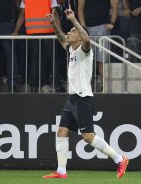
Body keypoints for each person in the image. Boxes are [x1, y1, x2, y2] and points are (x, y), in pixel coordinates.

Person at [42, 9, 129, 179]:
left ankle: (119, 159)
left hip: (83, 99)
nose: (69, 32)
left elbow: (87, 39)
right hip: (72, 99)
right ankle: (61, 171)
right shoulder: (72, 51)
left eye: (73, 31)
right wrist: (54, 24)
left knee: (88, 136)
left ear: (80, 37)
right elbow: (62, 39)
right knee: (61, 132)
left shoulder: (85, 51)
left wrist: (75, 21)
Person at [12, 0, 65, 93]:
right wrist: (60, 32)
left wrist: (16, 31)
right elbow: (55, 14)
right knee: (52, 59)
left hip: (32, 32)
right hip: (48, 31)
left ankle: (33, 86)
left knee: (35, 59)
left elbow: (22, 15)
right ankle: (58, 85)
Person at [78, 0, 118, 92]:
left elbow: (115, 5)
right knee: (87, 60)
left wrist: (112, 22)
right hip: (88, 28)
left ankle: (103, 86)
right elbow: (80, 8)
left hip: (102, 27)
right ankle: (87, 86)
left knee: (102, 60)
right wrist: (83, 26)